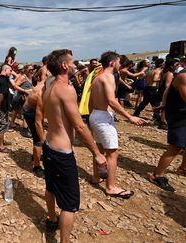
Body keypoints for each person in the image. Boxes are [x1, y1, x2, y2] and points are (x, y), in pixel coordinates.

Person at [37, 49, 107, 243]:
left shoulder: (49, 88)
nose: (77, 65)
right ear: (64, 65)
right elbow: (78, 125)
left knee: (51, 186)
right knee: (69, 204)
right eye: (74, 62)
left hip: (50, 146)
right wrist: (97, 153)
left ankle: (51, 219)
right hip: (61, 153)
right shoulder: (66, 90)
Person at [89, 51, 145, 199]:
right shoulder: (107, 77)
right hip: (102, 117)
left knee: (100, 150)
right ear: (113, 62)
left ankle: (96, 177)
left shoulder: (97, 78)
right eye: (119, 62)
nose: (120, 65)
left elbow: (90, 101)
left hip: (95, 114)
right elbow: (111, 100)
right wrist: (129, 117)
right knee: (112, 154)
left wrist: (91, 118)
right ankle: (111, 187)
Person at [149, 69, 186, 192]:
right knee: (176, 147)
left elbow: (169, 91)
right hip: (179, 117)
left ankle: (183, 167)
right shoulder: (183, 76)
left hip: (180, 114)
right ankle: (157, 175)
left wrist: (164, 105)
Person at [22, 75, 45, 177]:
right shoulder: (45, 88)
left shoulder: (47, 80)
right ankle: (36, 167)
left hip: (30, 109)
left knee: (38, 137)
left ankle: (36, 156)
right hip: (31, 111)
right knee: (39, 139)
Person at [133, 58, 164, 123]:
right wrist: (162, 79)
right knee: (155, 103)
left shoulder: (151, 70)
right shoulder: (158, 71)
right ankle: (156, 117)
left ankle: (136, 113)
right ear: (162, 65)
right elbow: (155, 79)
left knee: (145, 102)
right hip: (152, 88)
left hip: (146, 88)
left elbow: (144, 77)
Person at [0, 65, 13, 153]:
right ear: (5, 70)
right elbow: (1, 94)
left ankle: (3, 141)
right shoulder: (3, 80)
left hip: (3, 106)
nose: (11, 72)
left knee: (4, 124)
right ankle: (1, 146)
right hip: (2, 107)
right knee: (2, 125)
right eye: (10, 70)